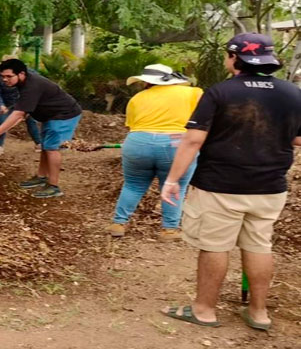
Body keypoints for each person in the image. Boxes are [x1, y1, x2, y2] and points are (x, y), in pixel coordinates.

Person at [159, 33, 301, 330]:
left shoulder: (220, 92)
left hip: (220, 185)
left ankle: (204, 310)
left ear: (234, 57)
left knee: (214, 246)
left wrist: (172, 180)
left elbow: (193, 140)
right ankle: (259, 313)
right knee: (260, 246)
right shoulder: (293, 93)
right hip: (270, 187)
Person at [107, 64, 203, 242]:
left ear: (146, 82)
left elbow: (132, 125)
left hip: (137, 142)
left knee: (133, 185)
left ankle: (118, 224)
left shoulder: (137, 98)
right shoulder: (192, 93)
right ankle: (169, 230)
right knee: (176, 186)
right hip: (176, 143)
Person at [0, 59, 82, 198]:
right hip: (50, 115)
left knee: (51, 148)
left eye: (9, 76)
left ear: (21, 74)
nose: (5, 80)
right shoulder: (23, 83)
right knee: (45, 146)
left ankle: (54, 186)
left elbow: (18, 113)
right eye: (2, 76)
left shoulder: (32, 85)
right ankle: (41, 177)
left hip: (64, 114)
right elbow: (24, 108)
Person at [0, 55, 42, 156]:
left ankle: (39, 144)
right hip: (7, 104)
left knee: (31, 121)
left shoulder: (30, 74)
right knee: (2, 123)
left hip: (25, 102)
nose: (5, 78)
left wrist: (28, 106)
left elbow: (35, 90)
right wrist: (1, 105)